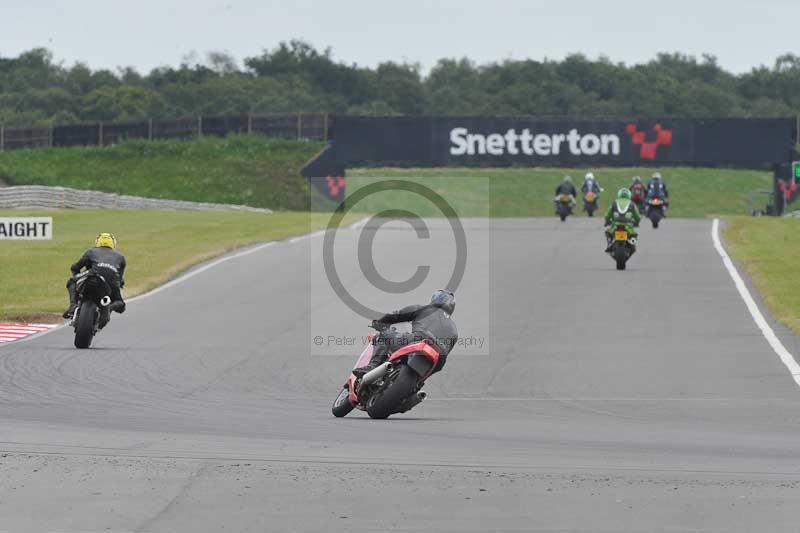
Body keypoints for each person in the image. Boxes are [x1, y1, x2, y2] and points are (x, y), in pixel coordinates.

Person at [353, 289, 458, 377]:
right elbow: (447, 351)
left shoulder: (425, 309)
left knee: (384, 335)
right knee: (421, 379)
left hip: (420, 339)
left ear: (435, 299)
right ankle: (415, 386)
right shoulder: (454, 329)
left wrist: (380, 322)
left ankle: (372, 367)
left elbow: (397, 315)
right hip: (440, 358)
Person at [63, 232, 127, 320]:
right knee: (121, 303)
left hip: (94, 275)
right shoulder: (121, 257)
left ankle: (73, 306)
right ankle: (109, 308)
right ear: (113, 244)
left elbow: (75, 267)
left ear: (97, 242)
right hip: (111, 281)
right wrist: (119, 283)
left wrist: (77, 277)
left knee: (71, 281)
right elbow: (120, 279)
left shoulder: (91, 251)